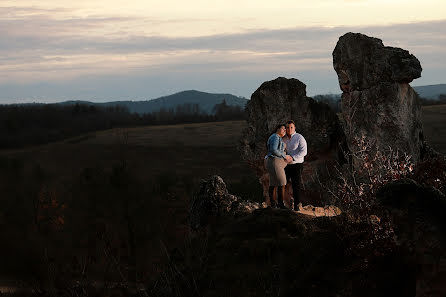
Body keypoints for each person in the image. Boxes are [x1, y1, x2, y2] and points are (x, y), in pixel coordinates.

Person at [265, 124, 293, 208]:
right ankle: (280, 204)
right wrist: (285, 156)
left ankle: (273, 204)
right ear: (277, 129)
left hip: (273, 162)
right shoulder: (275, 137)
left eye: (285, 129)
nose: (285, 130)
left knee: (273, 183)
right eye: (283, 128)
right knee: (282, 183)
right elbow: (273, 150)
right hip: (274, 162)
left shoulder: (276, 137)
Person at [283, 120, 307, 211]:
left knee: (296, 185)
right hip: (286, 165)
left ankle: (297, 205)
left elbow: (304, 152)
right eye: (288, 127)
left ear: (295, 128)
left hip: (297, 165)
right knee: (282, 184)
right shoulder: (284, 138)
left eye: (291, 127)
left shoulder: (299, 137)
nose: (289, 129)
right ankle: (282, 203)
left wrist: (293, 157)